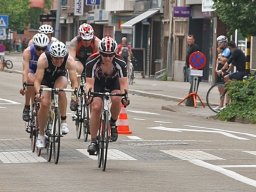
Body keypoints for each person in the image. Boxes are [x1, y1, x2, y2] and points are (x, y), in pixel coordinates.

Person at [85, 36, 130, 155]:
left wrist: (125, 96)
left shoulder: (120, 62)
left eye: (111, 55)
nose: (108, 58)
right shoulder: (92, 61)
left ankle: (112, 123)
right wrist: (89, 94)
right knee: (96, 107)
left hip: (113, 82)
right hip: (98, 82)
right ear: (100, 53)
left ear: (115, 53)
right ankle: (93, 141)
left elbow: (123, 82)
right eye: (105, 55)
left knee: (116, 98)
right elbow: (89, 83)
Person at [34, 41, 78, 149]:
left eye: (61, 58)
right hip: (46, 80)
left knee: (60, 91)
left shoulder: (69, 60)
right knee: (44, 103)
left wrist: (75, 94)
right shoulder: (43, 59)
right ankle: (41, 134)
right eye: (56, 58)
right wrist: (37, 93)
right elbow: (37, 80)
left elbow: (74, 81)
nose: (58, 61)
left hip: (60, 77)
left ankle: (63, 121)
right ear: (51, 56)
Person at [21, 33, 50, 122]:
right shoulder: (28, 51)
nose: (41, 51)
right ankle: (27, 106)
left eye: (43, 48)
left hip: (44, 73)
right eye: (38, 48)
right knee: (30, 79)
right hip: (32, 71)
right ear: (34, 46)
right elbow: (25, 70)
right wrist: (24, 86)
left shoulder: (50, 52)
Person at [184, 34, 200, 106]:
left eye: (190, 40)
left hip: (193, 67)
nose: (189, 41)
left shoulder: (195, 47)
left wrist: (194, 65)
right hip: (189, 66)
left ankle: (191, 100)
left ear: (193, 40)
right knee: (191, 82)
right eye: (188, 40)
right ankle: (191, 100)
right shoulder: (189, 46)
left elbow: (197, 57)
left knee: (193, 82)